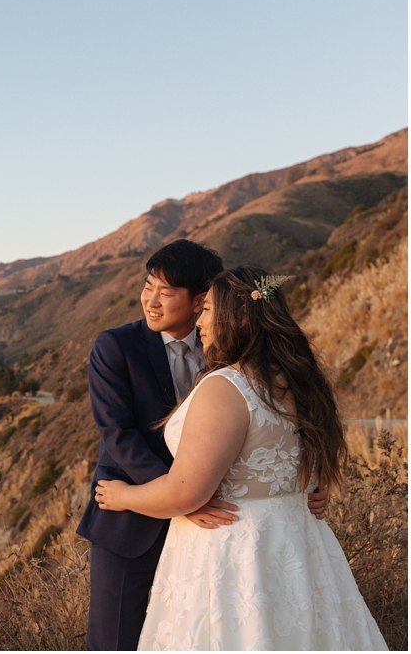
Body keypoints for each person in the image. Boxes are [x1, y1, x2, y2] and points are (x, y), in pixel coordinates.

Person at [94, 265, 387, 650]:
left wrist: (120, 496)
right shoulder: (302, 381)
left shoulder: (226, 387)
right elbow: (299, 464)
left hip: (232, 555)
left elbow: (186, 494)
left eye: (209, 310)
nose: (200, 319)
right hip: (298, 547)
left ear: (237, 316)